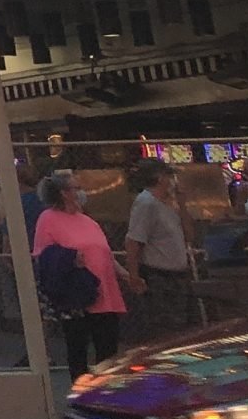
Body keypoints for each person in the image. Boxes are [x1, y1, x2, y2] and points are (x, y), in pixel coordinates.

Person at [32, 171, 125, 384]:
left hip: (105, 292)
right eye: (76, 188)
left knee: (108, 348)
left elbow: (106, 253)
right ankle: (81, 390)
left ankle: (106, 389)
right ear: (64, 193)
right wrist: (68, 259)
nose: (81, 192)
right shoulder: (48, 219)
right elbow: (42, 256)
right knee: (77, 347)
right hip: (76, 295)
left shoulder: (88, 221)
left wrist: (126, 275)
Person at [122, 160, 195, 339]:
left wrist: (182, 205)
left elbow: (189, 236)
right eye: (169, 176)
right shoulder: (146, 203)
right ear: (160, 178)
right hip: (159, 276)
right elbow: (134, 241)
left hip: (178, 274)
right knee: (165, 329)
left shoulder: (169, 204)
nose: (173, 180)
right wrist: (134, 275)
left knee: (182, 328)